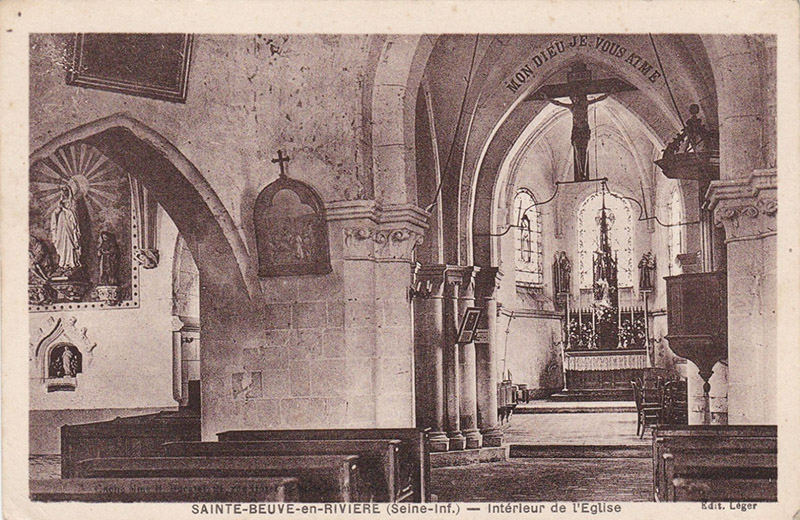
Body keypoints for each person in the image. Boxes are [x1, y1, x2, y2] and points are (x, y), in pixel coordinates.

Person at [545, 89, 614, 181]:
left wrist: (608, 93)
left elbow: (598, 99)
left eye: (576, 97)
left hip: (584, 130)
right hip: (576, 131)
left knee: (584, 151)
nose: (575, 99)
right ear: (572, 99)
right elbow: (558, 103)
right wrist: (547, 99)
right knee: (578, 152)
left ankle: (584, 171)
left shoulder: (585, 104)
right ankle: (581, 171)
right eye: (574, 98)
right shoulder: (571, 107)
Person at [50, 186, 81, 274]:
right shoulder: (60, 202)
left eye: (66, 191)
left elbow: (73, 214)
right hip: (61, 226)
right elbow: (55, 214)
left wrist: (64, 208)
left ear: (69, 192)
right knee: (61, 243)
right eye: (62, 191)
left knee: (70, 243)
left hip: (69, 226)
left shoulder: (72, 202)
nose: (64, 193)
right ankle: (63, 263)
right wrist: (58, 210)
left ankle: (71, 263)